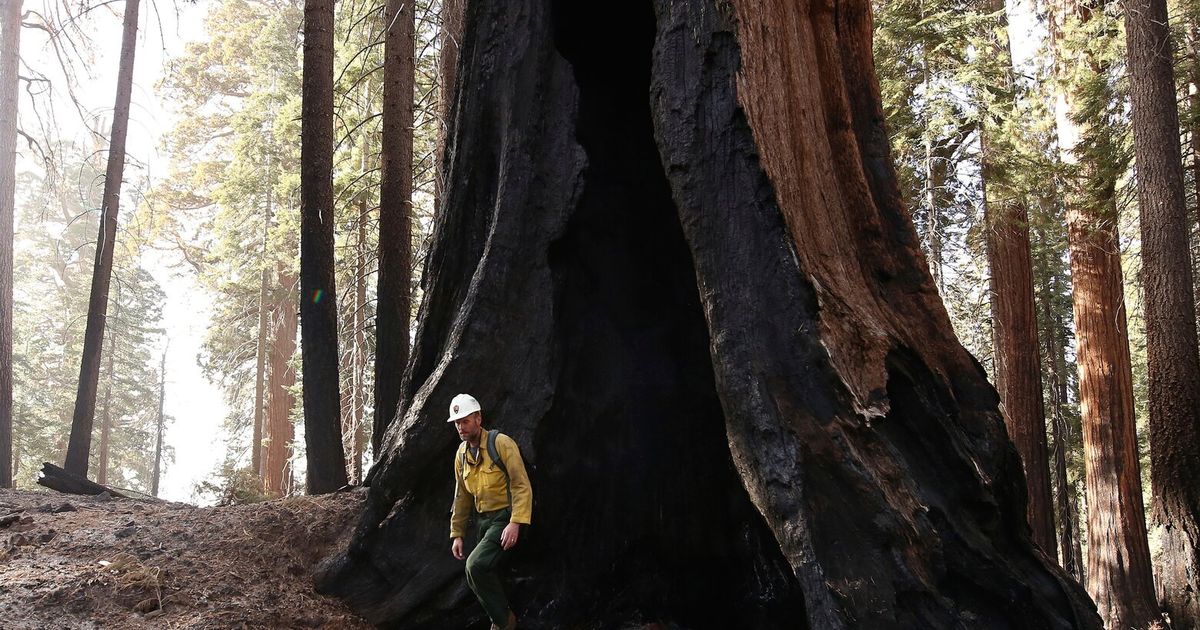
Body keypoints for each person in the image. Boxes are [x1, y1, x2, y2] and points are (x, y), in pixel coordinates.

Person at [448, 393, 532, 630]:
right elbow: (461, 496)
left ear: (478, 418)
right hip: (483, 522)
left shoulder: (501, 443)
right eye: (457, 422)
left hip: (505, 518)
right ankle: (500, 618)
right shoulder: (461, 455)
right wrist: (457, 533)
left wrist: (516, 522)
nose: (461, 427)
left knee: (475, 565)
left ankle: (504, 623)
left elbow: (520, 484)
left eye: (465, 420)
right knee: (474, 574)